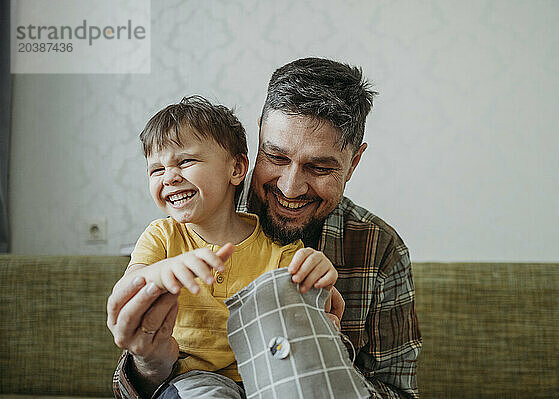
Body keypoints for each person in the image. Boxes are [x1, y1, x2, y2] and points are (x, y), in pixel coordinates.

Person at [108, 58, 421, 399]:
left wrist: (325, 360)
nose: (290, 188)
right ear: (258, 138)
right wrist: (150, 364)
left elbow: (399, 392)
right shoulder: (195, 212)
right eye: (277, 157)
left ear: (353, 163)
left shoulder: (380, 248)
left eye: (318, 167)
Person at [109, 95, 339, 398]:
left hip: (267, 374)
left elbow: (311, 316)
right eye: (156, 170)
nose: (170, 177)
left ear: (236, 169)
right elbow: (128, 290)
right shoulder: (161, 237)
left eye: (185, 161)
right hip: (192, 381)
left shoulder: (281, 249)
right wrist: (163, 270)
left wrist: (319, 279)